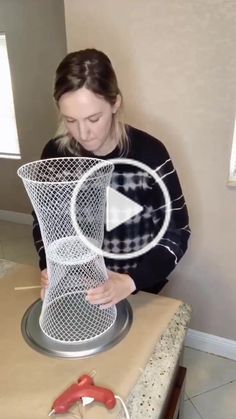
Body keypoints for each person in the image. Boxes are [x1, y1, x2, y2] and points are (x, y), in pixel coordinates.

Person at [33, 48, 191, 308]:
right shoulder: (54, 155)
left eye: (94, 118)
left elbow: (177, 232)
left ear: (115, 103)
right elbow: (44, 223)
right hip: (77, 286)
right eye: (70, 120)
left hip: (140, 289)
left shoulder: (150, 154)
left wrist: (129, 282)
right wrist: (49, 266)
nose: (83, 133)